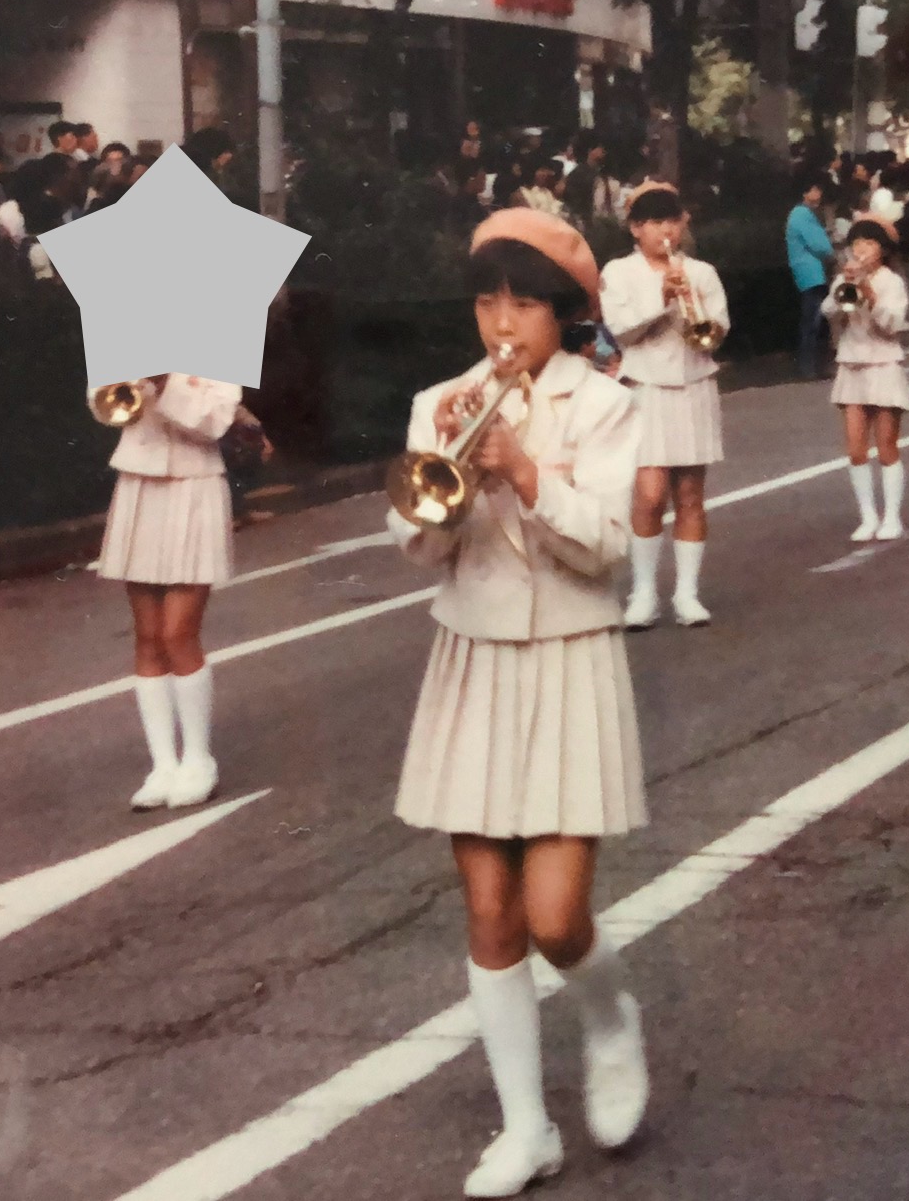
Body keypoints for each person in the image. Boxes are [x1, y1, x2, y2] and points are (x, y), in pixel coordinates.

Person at [389, 208, 649, 1197]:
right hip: (475, 656)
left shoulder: (606, 406)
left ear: (566, 314)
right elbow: (414, 540)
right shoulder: (442, 401)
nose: (502, 321)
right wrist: (451, 475)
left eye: (525, 302)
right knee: (489, 911)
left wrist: (527, 472)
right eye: (488, 298)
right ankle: (526, 1125)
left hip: (571, 656)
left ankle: (611, 1015)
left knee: (556, 915)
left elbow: (606, 543)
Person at [93, 372, 240, 810]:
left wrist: (167, 381)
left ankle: (198, 759)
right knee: (148, 635)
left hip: (196, 486)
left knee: (179, 633)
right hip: (139, 481)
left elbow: (217, 421)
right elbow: (103, 405)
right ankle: (162, 765)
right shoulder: (128, 331)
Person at [600, 184, 728, 629]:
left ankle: (688, 595)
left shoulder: (703, 272)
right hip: (646, 387)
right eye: (654, 222)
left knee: (691, 494)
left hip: (694, 383)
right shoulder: (619, 272)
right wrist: (663, 298)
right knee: (649, 495)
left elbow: (718, 327)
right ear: (636, 229)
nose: (665, 230)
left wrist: (690, 298)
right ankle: (644, 592)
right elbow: (620, 330)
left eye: (672, 220)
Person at [827, 218, 909, 541]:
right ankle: (867, 516)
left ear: (883, 251)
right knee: (855, 447)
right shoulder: (844, 276)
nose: (861, 249)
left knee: (886, 445)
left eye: (869, 243)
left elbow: (892, 323)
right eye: (857, 243)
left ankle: (892, 516)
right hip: (852, 363)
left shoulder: (892, 282)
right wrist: (843, 286)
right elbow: (828, 311)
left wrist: (868, 292)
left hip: (884, 362)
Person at [784, 175, 835, 380]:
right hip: (811, 273)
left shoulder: (800, 214)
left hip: (807, 272)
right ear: (805, 193)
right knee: (813, 321)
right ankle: (810, 367)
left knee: (813, 320)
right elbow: (819, 245)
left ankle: (812, 366)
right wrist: (831, 252)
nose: (818, 193)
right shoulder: (802, 214)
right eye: (814, 189)